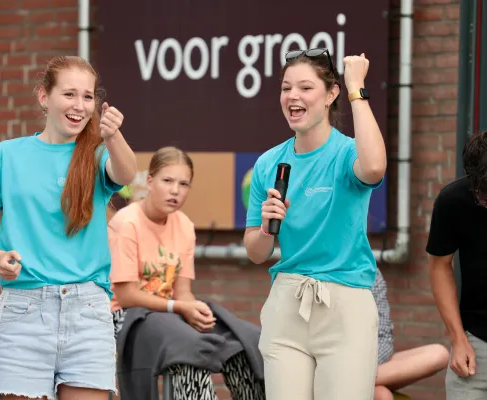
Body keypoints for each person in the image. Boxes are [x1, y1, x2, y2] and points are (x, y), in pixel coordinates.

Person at [0, 55, 137, 400]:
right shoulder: (7, 155)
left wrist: (113, 136)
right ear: (44, 96)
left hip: (87, 312)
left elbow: (126, 174)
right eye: (69, 94)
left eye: (88, 97)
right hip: (24, 311)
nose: (80, 106)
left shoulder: (97, 154)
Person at [243, 48, 387, 400]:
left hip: (345, 306)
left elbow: (373, 168)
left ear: (331, 94)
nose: (293, 96)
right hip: (287, 305)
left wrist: (356, 87)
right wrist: (265, 225)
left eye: (306, 88)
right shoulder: (268, 164)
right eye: (286, 88)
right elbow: (256, 253)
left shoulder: (347, 153)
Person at [108, 146, 265, 400]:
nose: (175, 191)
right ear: (149, 181)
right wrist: (179, 307)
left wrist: (194, 310)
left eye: (183, 184)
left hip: (169, 314)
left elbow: (183, 292)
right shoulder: (127, 222)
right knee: (190, 347)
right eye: (167, 181)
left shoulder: (184, 226)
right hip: (125, 317)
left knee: (242, 341)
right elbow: (126, 296)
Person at [427, 130, 487, 399]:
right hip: (477, 342)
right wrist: (458, 339)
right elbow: (440, 266)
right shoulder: (453, 200)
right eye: (483, 196)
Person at [371, 268, 449, 400]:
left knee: (439, 354)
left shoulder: (372, 273)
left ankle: (355, 379)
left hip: (369, 361)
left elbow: (384, 336)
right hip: (336, 360)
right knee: (382, 395)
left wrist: (367, 364)